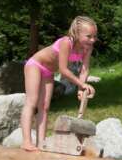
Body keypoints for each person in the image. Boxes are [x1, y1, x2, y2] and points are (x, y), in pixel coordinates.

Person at [20, 16, 97, 151]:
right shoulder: (67, 42)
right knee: (31, 102)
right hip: (35, 65)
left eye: (94, 36)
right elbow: (63, 70)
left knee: (44, 107)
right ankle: (26, 142)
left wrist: (81, 87)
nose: (92, 40)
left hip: (48, 72)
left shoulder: (87, 48)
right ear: (77, 33)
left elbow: (84, 70)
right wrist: (82, 84)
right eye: (89, 36)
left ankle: (41, 143)